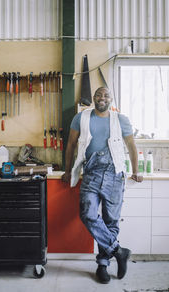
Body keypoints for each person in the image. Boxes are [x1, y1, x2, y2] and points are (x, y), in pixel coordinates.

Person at [61, 87, 143, 284]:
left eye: (106, 95)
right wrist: (67, 169)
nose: (102, 98)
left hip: (115, 174)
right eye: (99, 95)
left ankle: (103, 265)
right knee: (87, 214)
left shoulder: (120, 119)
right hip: (91, 172)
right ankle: (118, 251)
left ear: (111, 99)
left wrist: (136, 171)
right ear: (94, 99)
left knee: (111, 221)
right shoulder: (81, 118)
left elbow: (131, 146)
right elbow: (71, 144)